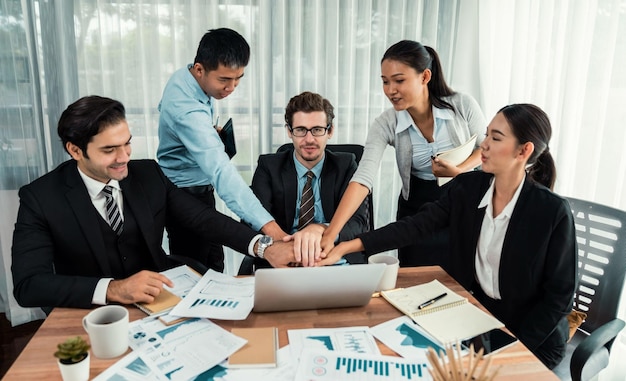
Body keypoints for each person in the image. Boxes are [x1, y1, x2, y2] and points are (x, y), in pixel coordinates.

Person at [319, 104, 577, 369]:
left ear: (524, 150)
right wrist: (346, 246)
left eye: (495, 138)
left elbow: (559, 298)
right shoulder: (467, 188)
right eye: (486, 135)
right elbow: (415, 226)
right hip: (478, 320)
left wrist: (513, 345)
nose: (484, 145)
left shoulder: (552, 212)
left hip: (532, 339)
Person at [11, 96, 295, 313]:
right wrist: (114, 289)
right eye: (109, 150)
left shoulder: (148, 174)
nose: (124, 158)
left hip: (161, 305)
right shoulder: (40, 197)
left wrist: (265, 246)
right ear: (75, 150)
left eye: (127, 144)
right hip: (90, 313)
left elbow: (203, 219)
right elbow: (28, 286)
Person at [320, 40, 487, 268]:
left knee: (461, 275)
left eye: (399, 81)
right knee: (413, 279)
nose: (391, 90)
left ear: (425, 77)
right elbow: (363, 179)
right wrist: (331, 233)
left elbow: (486, 150)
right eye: (385, 82)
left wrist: (459, 171)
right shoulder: (386, 123)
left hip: (462, 200)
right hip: (416, 208)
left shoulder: (462, 105)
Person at [157, 28, 286, 272]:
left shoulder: (184, 77)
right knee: (196, 271)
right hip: (184, 195)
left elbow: (163, 108)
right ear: (199, 69)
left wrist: (203, 133)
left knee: (215, 263)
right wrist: (270, 228)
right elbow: (221, 173)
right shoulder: (187, 111)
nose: (232, 87)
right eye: (224, 80)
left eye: (238, 78)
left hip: (197, 187)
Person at [250, 91, 370, 268]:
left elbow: (359, 223)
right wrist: (281, 244)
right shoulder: (269, 166)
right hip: (285, 262)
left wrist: (322, 229)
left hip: (335, 260)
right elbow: (251, 221)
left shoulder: (346, 165)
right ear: (289, 132)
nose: (309, 139)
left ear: (330, 131)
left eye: (317, 130)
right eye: (300, 130)